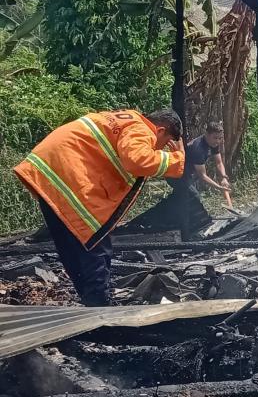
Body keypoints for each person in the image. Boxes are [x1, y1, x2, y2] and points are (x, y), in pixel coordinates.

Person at [13, 109, 185, 306]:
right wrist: (177, 158)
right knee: (96, 241)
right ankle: (99, 305)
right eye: (164, 144)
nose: (160, 149)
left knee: (71, 244)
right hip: (71, 177)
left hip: (51, 172)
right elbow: (137, 160)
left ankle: (91, 300)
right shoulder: (142, 129)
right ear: (161, 130)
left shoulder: (125, 118)